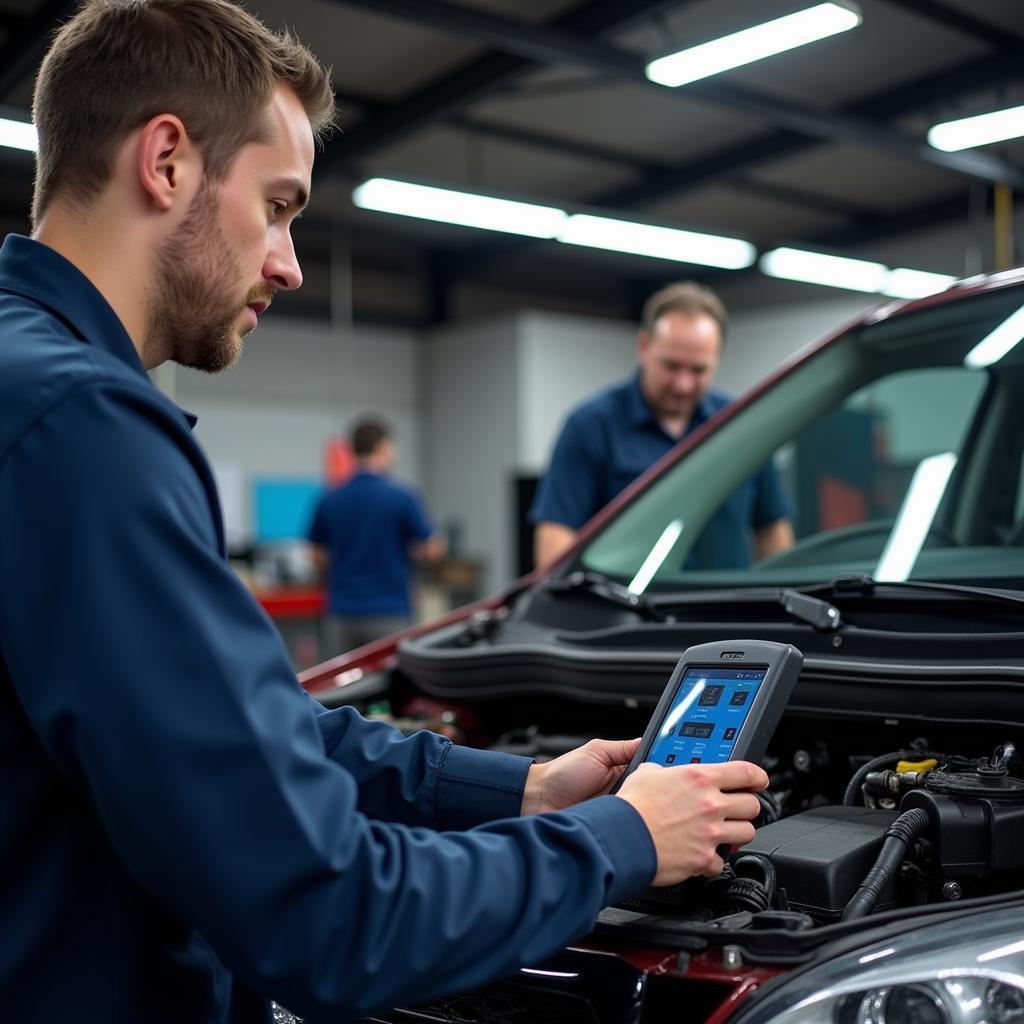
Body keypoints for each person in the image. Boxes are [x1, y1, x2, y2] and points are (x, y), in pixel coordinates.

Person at [0, 2, 768, 1020]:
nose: (287, 261)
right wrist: (622, 837)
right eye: (276, 206)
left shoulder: (26, 383)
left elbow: (246, 740)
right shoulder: (87, 426)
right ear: (169, 161)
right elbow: (325, 915)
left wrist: (522, 790)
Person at [530, 281, 796, 567]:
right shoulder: (590, 426)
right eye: (671, 366)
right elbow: (555, 538)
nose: (683, 384)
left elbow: (772, 531)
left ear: (717, 359)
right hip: (626, 610)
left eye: (698, 370)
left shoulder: (742, 426)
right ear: (644, 346)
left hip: (727, 610)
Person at [309, 418, 446, 651]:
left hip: (341, 612)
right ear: (382, 447)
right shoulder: (403, 497)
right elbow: (433, 549)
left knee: (340, 686)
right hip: (389, 611)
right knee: (389, 685)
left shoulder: (330, 498)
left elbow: (316, 555)